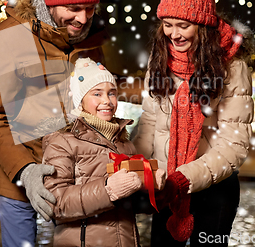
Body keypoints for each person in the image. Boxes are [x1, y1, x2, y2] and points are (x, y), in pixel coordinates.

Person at [0, 0, 107, 246]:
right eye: (73, 9)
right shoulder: (7, 38)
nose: (83, 18)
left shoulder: (90, 39)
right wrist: (26, 170)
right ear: (49, 2)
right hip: (22, 181)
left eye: (89, 9)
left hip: (78, 180)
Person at [133, 0, 254, 246]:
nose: (173, 34)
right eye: (167, 24)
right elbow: (150, 122)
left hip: (214, 188)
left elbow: (234, 144)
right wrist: (137, 166)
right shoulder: (159, 60)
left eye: (183, 25)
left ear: (202, 26)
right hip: (165, 187)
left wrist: (184, 179)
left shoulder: (232, 68)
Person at [43, 58, 166, 247]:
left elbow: (131, 205)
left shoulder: (124, 143)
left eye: (112, 93)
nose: (107, 101)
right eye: (97, 94)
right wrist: (108, 189)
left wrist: (151, 187)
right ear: (80, 100)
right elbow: (54, 203)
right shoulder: (62, 141)